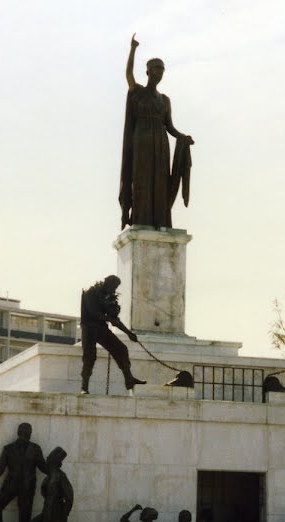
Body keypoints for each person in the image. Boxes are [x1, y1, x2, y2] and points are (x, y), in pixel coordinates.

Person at [119, 34, 194, 230]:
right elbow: (128, 75)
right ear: (148, 72)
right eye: (156, 70)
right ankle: (141, 218)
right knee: (142, 180)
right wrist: (133, 49)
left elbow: (169, 126)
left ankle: (159, 219)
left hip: (160, 144)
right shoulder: (138, 92)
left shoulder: (165, 100)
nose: (159, 73)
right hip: (141, 141)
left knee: (160, 181)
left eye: (162, 70)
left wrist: (182, 138)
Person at [79, 275, 145, 394]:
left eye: (116, 287)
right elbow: (93, 312)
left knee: (121, 349)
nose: (114, 290)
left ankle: (129, 379)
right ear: (106, 282)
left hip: (101, 327)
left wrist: (129, 333)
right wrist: (109, 318)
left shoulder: (109, 298)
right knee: (89, 357)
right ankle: (84, 387)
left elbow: (115, 319)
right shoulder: (91, 292)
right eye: (113, 286)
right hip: (89, 328)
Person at [0, 423, 47, 522]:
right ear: (18, 433)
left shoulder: (35, 449)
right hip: (10, 485)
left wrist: (53, 471)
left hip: (27, 487)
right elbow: (1, 466)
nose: (27, 434)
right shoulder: (9, 449)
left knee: (25, 515)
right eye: (25, 432)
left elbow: (42, 466)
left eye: (28, 432)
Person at [25, 446, 73, 522]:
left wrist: (62, 515)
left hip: (56, 513)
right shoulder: (49, 477)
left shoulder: (60, 476)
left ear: (54, 461)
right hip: (47, 511)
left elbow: (69, 497)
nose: (46, 459)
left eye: (49, 457)